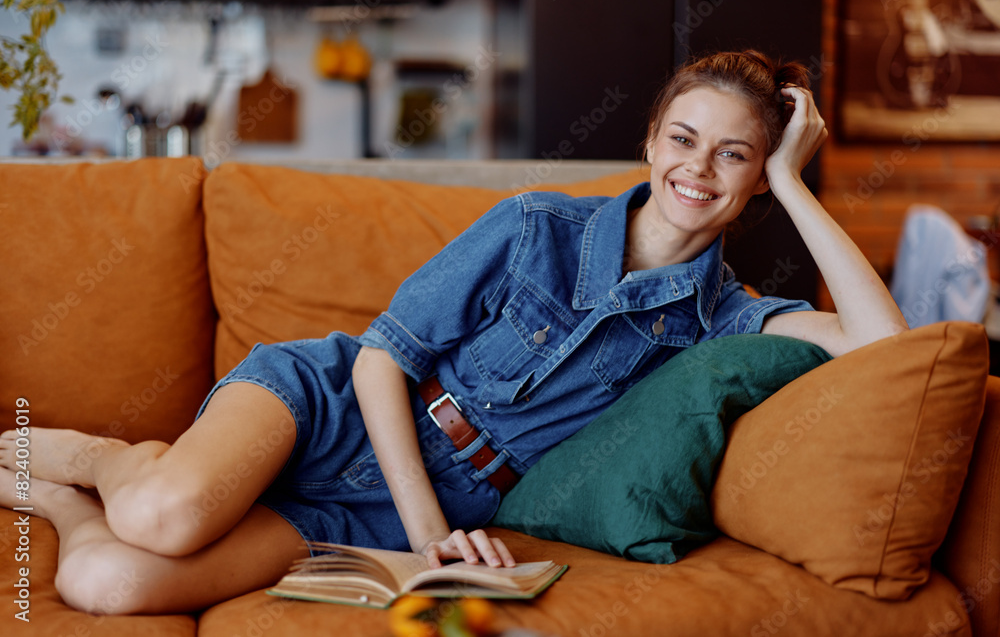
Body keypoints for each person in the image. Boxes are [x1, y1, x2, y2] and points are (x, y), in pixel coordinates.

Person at [0, 50, 907, 615]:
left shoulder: (724, 317)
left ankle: (66, 504)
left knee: (108, 585)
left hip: (371, 514)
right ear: (650, 141)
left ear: (754, 180)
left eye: (735, 155)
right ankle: (102, 457)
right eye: (683, 137)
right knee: (162, 513)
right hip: (332, 408)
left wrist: (796, 181)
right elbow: (384, 359)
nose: (698, 168)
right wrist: (429, 532)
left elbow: (882, 347)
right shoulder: (534, 227)